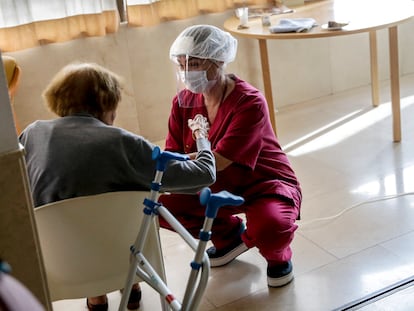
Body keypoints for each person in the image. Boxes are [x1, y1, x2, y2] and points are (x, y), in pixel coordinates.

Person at [19, 62, 215, 310]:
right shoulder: (124, 143)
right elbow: (204, 174)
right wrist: (201, 137)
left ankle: (96, 297)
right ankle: (131, 283)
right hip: (125, 259)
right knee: (130, 189)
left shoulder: (31, 135)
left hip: (60, 267)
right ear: (107, 103)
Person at [159, 24, 302, 288]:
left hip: (263, 181)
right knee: (160, 206)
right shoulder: (182, 103)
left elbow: (220, 160)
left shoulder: (249, 102)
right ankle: (228, 237)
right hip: (215, 182)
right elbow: (172, 152)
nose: (187, 72)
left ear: (219, 59)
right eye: (181, 65)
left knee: (270, 227)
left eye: (195, 63)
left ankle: (277, 255)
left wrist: (171, 162)